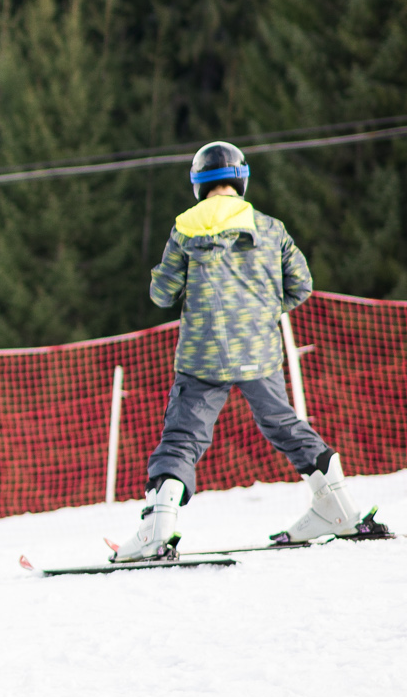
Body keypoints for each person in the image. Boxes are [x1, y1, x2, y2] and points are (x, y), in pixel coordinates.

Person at [114, 142, 388, 561]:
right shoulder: (270, 227)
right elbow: (302, 285)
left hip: (202, 354)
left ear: (198, 184)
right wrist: (260, 314)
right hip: (258, 349)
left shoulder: (185, 228)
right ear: (241, 180)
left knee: (184, 436)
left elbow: (162, 294)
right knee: (283, 423)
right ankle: (339, 508)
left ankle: (156, 529)